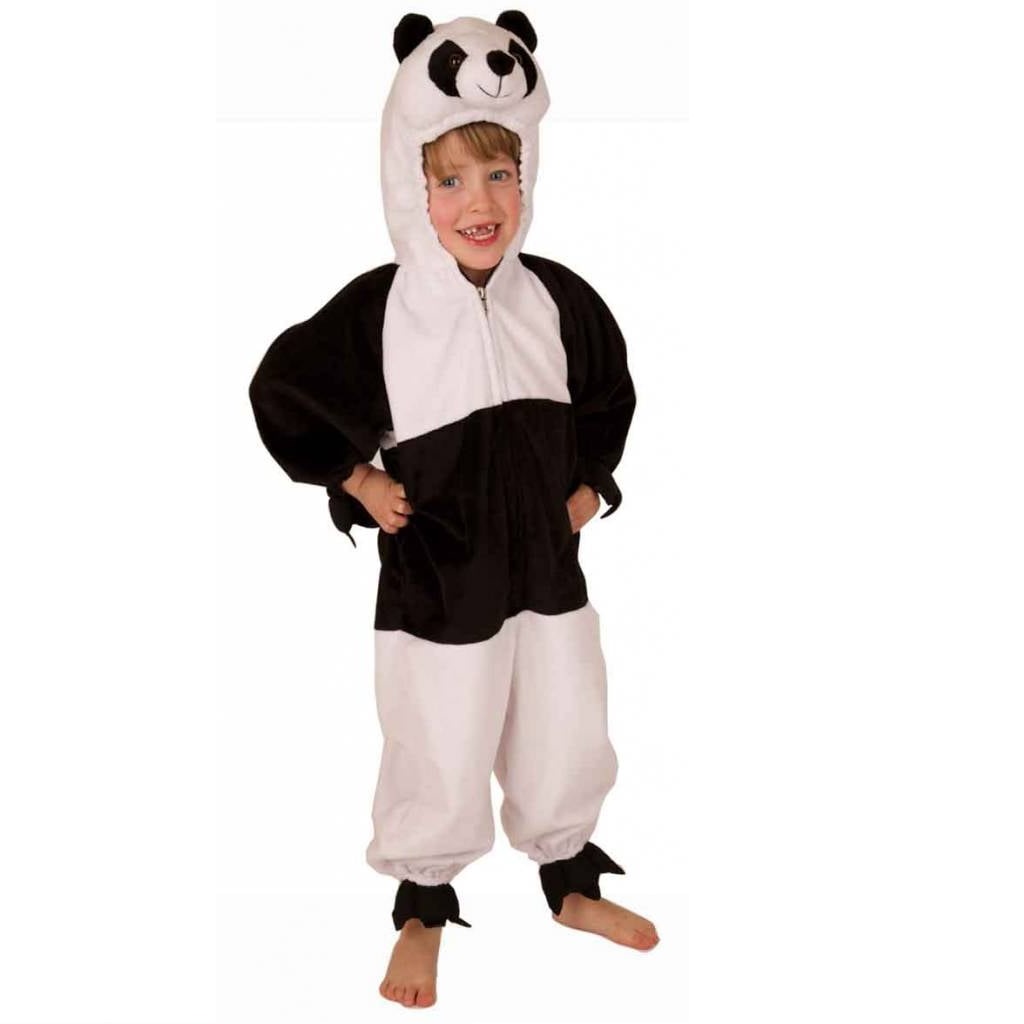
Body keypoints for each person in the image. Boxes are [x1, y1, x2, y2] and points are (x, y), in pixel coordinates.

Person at [248, 11, 658, 1009]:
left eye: (500, 174)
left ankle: (569, 877)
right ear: (411, 186)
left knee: (564, 718)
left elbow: (608, 395)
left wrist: (592, 485)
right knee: (439, 731)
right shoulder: (383, 312)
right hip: (439, 581)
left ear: (528, 176)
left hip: (548, 574)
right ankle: (424, 905)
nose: (481, 202)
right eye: (451, 181)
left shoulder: (555, 300)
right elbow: (282, 390)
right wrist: (356, 479)